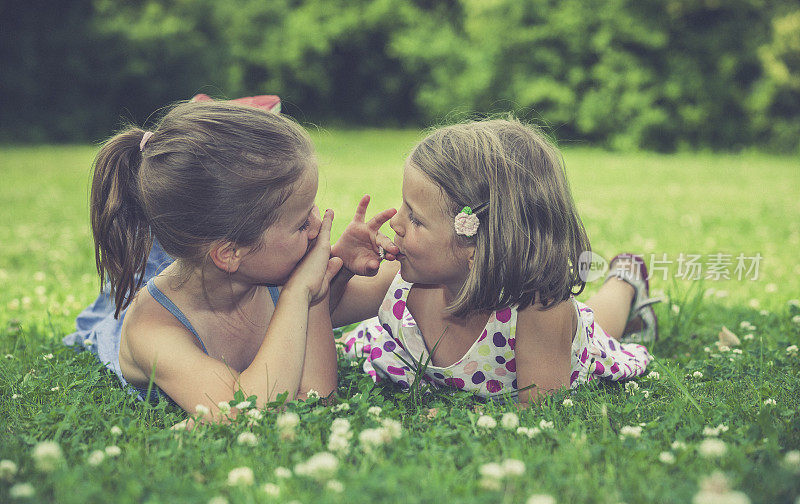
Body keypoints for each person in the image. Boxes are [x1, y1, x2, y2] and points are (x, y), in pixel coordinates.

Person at [331, 118, 658, 405]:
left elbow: (540, 409)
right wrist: (343, 270)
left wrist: (465, 415)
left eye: (415, 218)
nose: (396, 224)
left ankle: (626, 278)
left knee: (597, 323)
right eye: (404, 206)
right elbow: (322, 310)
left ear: (477, 247)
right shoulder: (400, 278)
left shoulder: (540, 310)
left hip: (564, 347)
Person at [66, 100, 349, 418]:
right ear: (231, 254)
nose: (317, 225)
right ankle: (188, 161)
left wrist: (333, 278)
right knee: (131, 280)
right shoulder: (152, 328)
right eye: (300, 224)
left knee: (173, 247)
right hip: (137, 306)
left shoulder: (259, 264)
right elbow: (247, 413)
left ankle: (196, 162)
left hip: (203, 263)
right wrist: (300, 294)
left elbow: (318, 398)